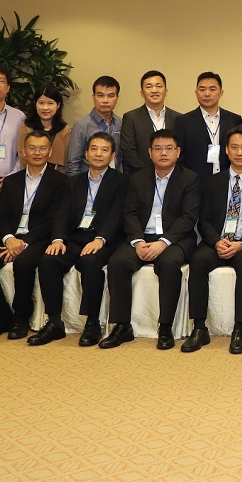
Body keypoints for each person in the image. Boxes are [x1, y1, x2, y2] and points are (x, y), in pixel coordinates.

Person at [100, 129, 201, 350]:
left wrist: (163, 242)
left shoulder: (190, 179)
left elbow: (188, 217)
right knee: (117, 262)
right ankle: (122, 326)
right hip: (142, 236)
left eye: (168, 148)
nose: (163, 153)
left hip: (175, 239)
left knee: (169, 263)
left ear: (178, 152)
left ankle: (165, 327)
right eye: (158, 148)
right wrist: (137, 241)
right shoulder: (137, 178)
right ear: (149, 152)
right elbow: (130, 213)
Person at [181, 126, 242, 355]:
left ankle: (239, 329)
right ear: (226, 150)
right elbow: (203, 221)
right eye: (234, 147)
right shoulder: (212, 182)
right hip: (217, 241)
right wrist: (216, 241)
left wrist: (241, 243)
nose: (239, 152)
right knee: (198, 260)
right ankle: (199, 328)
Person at [29, 132, 128, 346]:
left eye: (104, 150)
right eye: (94, 149)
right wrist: (57, 239)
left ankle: (92, 323)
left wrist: (100, 239)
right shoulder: (73, 182)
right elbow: (62, 213)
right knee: (48, 260)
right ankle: (54, 322)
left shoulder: (121, 181)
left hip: (103, 239)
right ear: (86, 154)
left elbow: (117, 214)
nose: (98, 154)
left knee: (91, 263)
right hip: (75, 237)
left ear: (112, 155)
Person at [0, 130, 69, 340]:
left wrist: (23, 243)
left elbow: (52, 219)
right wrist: (9, 239)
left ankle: (21, 318)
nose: (37, 153)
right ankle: (1, 317)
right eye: (32, 148)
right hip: (10, 237)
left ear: (50, 151)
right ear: (24, 152)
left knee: (23, 263)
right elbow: (2, 217)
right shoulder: (11, 181)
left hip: (37, 238)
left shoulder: (60, 181)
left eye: (42, 148)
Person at [175, 71, 242, 178]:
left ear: (221, 92)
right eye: (202, 90)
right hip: (195, 181)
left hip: (227, 180)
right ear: (196, 93)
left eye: (212, 89)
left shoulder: (234, 120)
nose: (207, 94)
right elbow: (179, 156)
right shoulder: (183, 121)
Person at [119, 70, 181, 174]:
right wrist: (151, 173)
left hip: (173, 177)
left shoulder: (178, 118)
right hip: (141, 176)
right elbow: (128, 152)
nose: (154, 90)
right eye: (149, 87)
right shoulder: (131, 118)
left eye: (158, 86)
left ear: (166, 91)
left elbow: (182, 150)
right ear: (142, 93)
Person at [65, 76, 122, 176]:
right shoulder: (81, 125)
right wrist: (77, 184)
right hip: (88, 181)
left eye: (110, 96)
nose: (105, 100)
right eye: (100, 95)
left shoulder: (121, 123)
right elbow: (73, 163)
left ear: (117, 98)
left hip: (115, 181)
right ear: (93, 97)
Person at [17, 86, 70, 171]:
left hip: (59, 176)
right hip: (30, 175)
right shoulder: (26, 129)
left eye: (50, 103)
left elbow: (68, 161)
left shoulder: (65, 131)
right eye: (41, 103)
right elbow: (23, 159)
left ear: (58, 105)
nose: (45, 108)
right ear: (35, 104)